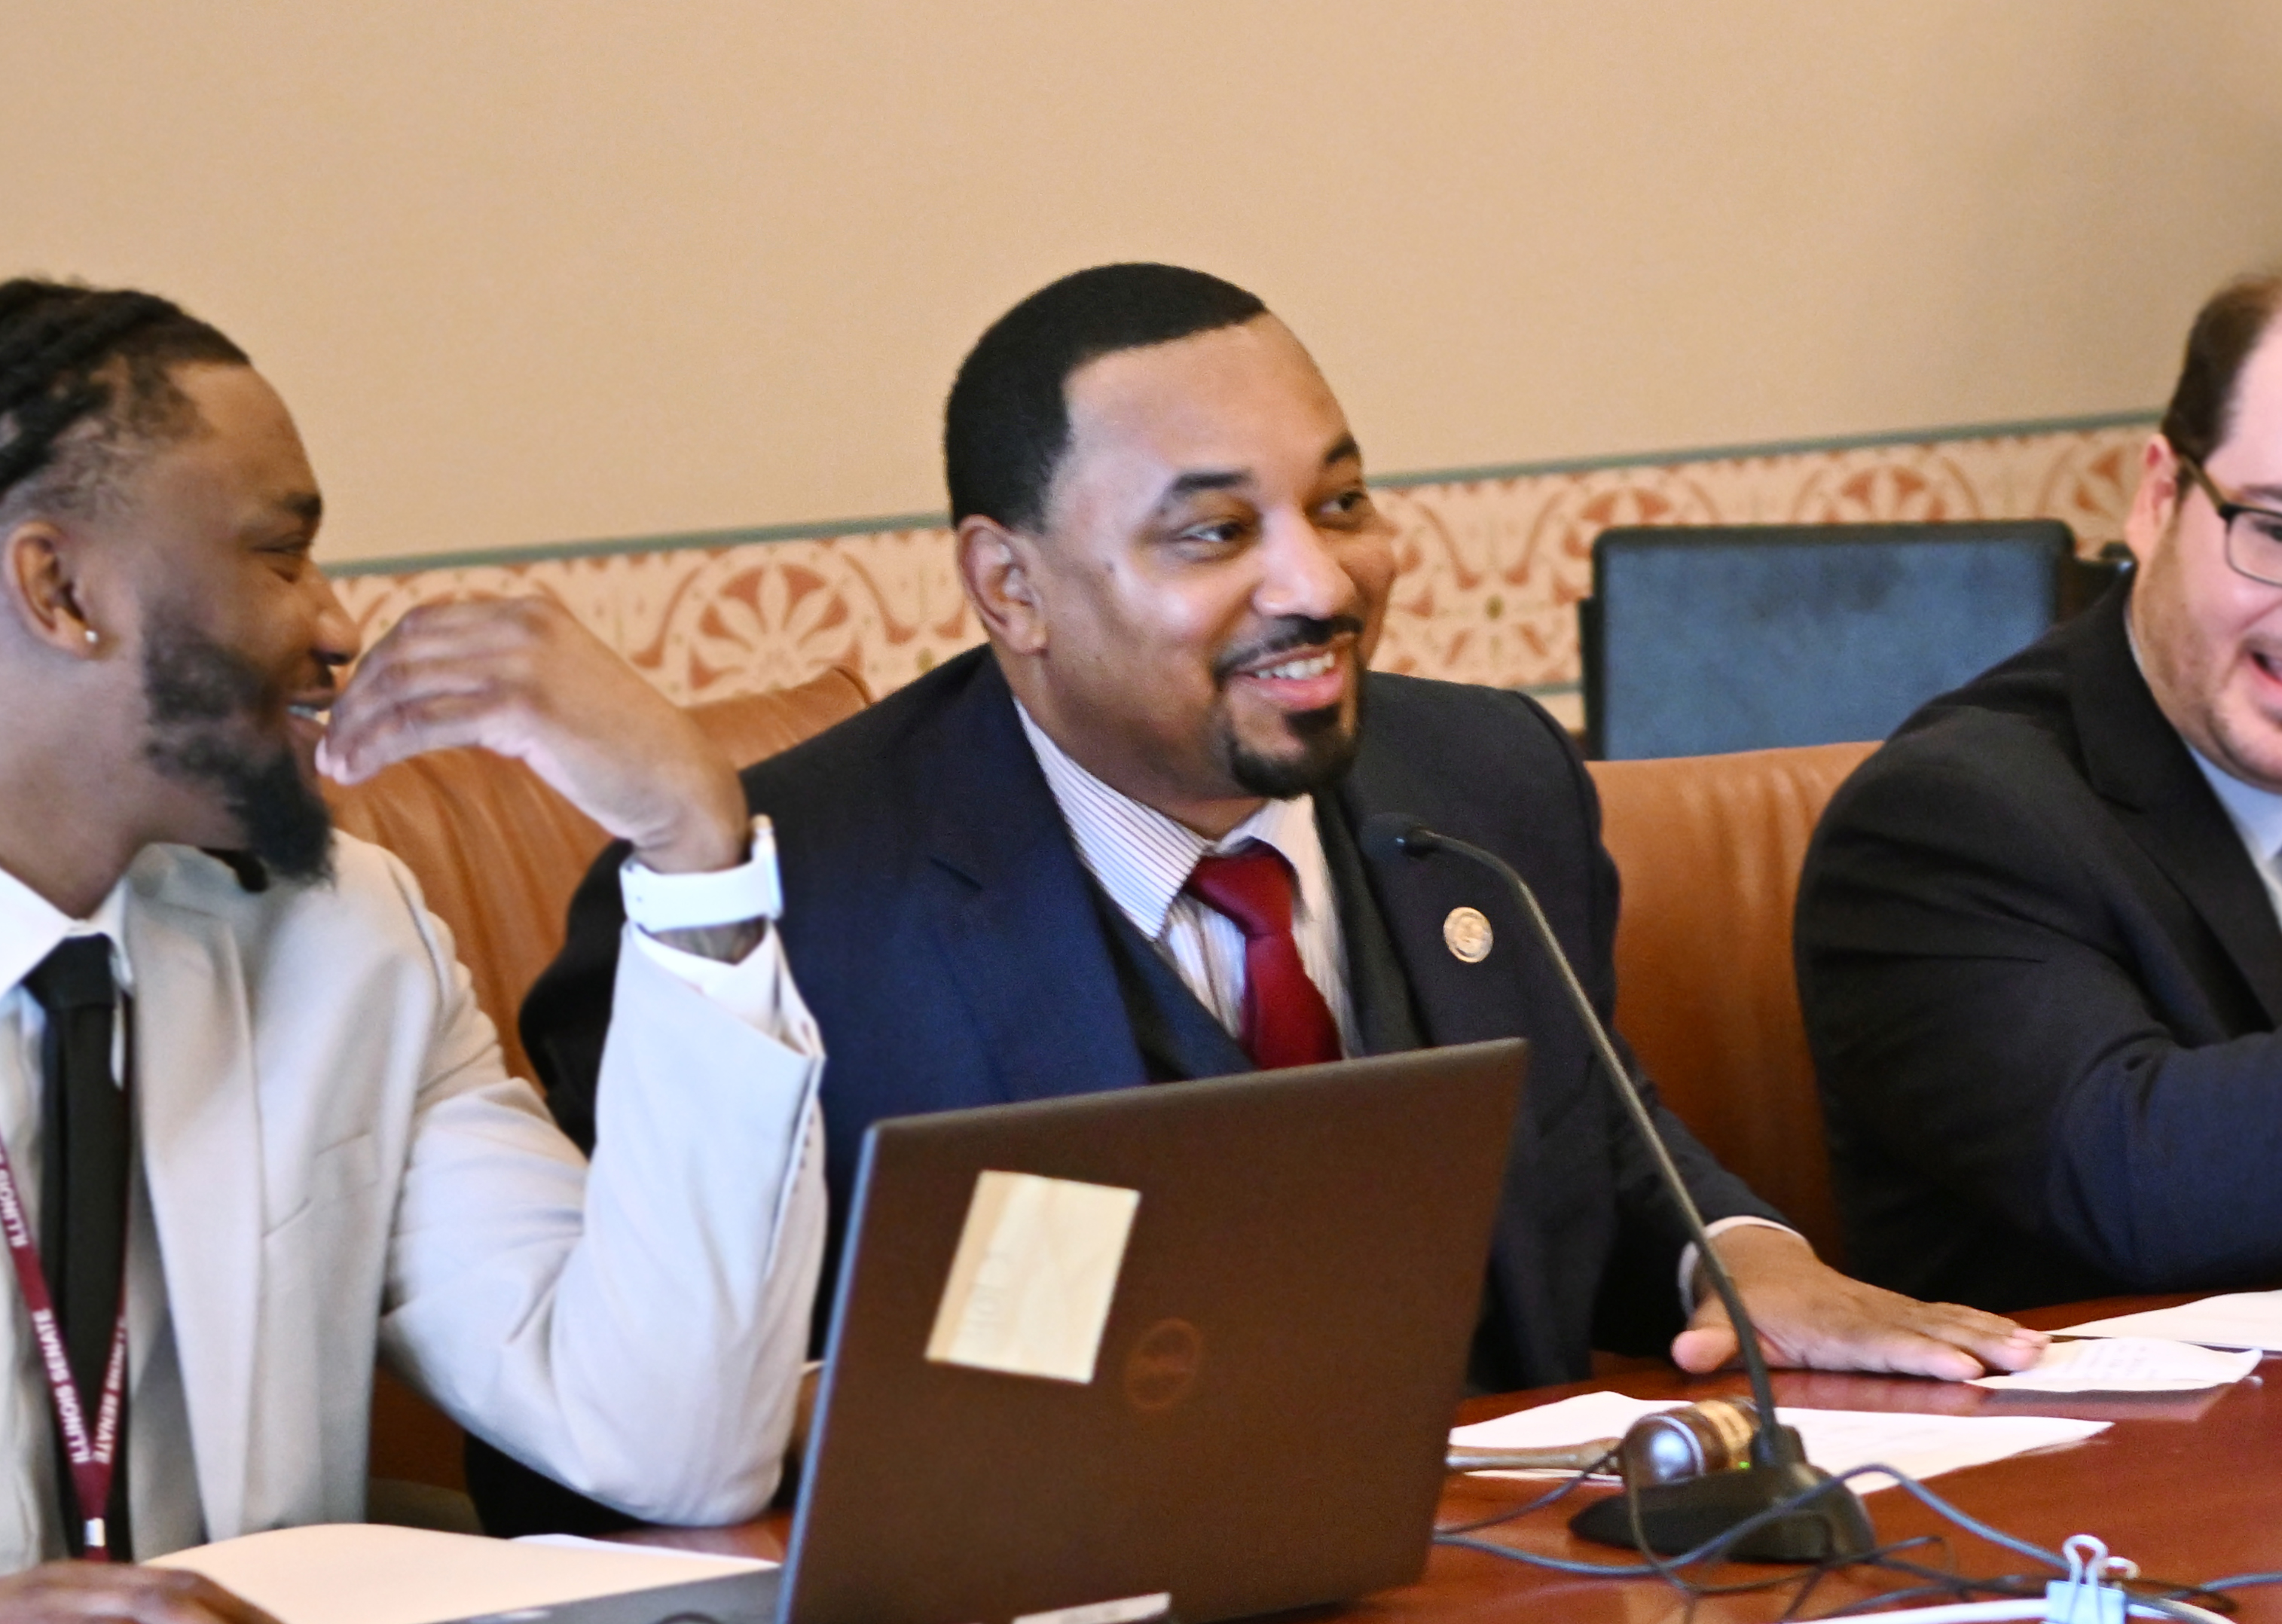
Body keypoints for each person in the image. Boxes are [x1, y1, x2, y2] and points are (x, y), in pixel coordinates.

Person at [528, 261, 2039, 1406]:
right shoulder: (766, 904)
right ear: (1012, 588)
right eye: (1216, 534)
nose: (1322, 583)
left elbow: (1594, 1140)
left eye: (1344, 500)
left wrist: (1742, 1248)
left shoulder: (1487, 784)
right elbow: (652, 1422)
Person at [0, 279, 826, 1617]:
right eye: (280, 556)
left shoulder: (346, 937)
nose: (338, 628)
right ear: (61, 587)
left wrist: (690, 848)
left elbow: (670, 1441)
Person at [1797, 271, 2282, 1311]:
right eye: (2275, 535)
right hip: (2117, 1464)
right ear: (2158, 498)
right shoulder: (1945, 821)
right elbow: (2140, 1180)